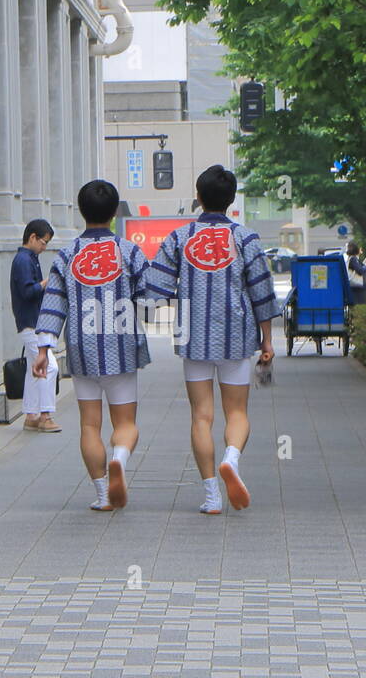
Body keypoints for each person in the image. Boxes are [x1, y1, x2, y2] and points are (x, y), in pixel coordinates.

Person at [146, 164, 280, 515]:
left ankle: (211, 496)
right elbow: (262, 292)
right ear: (231, 200)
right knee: (237, 412)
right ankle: (231, 461)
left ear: (199, 197)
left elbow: (155, 289)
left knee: (201, 416)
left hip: (194, 336)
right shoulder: (246, 237)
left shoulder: (179, 237)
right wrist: (267, 342)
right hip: (236, 336)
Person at [32, 180, 152, 511]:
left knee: (89, 424)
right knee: (125, 424)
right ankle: (120, 458)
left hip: (82, 348)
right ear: (115, 213)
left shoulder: (67, 254)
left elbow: (53, 302)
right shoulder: (129, 251)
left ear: (81, 211)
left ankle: (102, 494)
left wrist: (43, 348)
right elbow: (150, 296)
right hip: (122, 345)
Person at [10, 219, 60, 433]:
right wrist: (46, 283)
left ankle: (32, 415)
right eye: (43, 242)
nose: (44, 247)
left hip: (30, 321)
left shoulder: (28, 258)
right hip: (31, 322)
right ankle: (45, 415)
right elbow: (28, 292)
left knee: (35, 368)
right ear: (32, 237)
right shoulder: (23, 260)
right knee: (49, 366)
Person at [343, 241, 366, 307]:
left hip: (356, 287)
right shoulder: (353, 259)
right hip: (357, 287)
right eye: (359, 247)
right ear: (356, 248)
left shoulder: (353, 259)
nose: (361, 249)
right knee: (359, 306)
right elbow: (360, 270)